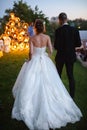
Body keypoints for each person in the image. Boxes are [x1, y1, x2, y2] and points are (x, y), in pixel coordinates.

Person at [12, 19, 82, 130]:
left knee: (31, 82)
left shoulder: (32, 38)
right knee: (51, 83)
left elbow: (30, 53)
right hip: (44, 60)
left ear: (35, 27)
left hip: (34, 60)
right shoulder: (47, 37)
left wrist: (29, 60)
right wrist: (46, 57)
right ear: (43, 27)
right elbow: (50, 50)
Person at [54, 13, 81, 98]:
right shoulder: (75, 30)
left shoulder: (58, 31)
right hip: (70, 56)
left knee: (58, 76)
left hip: (60, 57)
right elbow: (78, 44)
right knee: (70, 76)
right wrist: (70, 46)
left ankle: (57, 94)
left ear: (60, 20)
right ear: (66, 19)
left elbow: (55, 46)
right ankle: (72, 96)